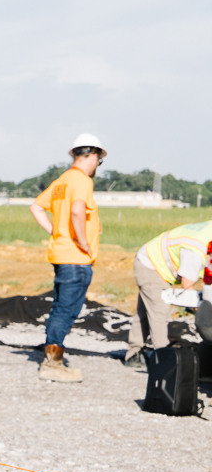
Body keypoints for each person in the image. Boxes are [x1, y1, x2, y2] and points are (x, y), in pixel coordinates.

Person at [28, 134, 105, 383]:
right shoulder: (81, 180)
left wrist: (55, 231)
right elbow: (76, 210)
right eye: (98, 160)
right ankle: (53, 364)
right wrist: (83, 242)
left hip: (61, 254)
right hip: (76, 258)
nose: (97, 165)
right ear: (93, 155)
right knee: (66, 310)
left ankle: (53, 358)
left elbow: (36, 207)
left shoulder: (62, 181)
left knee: (59, 307)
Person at [125, 220, 211, 369]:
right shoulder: (196, 248)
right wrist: (203, 312)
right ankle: (163, 361)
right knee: (159, 311)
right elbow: (187, 287)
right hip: (151, 265)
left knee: (145, 313)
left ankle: (133, 354)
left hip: (153, 260)